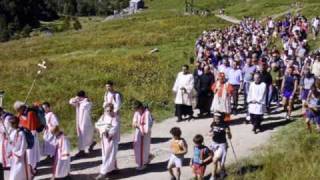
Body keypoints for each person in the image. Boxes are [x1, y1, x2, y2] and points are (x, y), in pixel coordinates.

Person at [13, 101, 41, 175]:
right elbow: (20, 120)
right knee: (29, 153)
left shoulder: (30, 113)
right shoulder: (22, 113)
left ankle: (32, 168)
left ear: (21, 108)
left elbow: (31, 127)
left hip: (31, 135)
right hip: (26, 135)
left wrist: (22, 128)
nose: (17, 112)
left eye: (18, 110)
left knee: (31, 153)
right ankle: (31, 167)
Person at [95, 103, 120, 180]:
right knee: (105, 155)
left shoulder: (114, 118)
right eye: (106, 111)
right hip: (103, 139)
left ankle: (103, 172)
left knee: (108, 155)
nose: (108, 112)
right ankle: (111, 169)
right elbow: (97, 124)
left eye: (109, 110)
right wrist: (103, 129)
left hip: (111, 139)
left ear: (112, 110)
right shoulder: (103, 116)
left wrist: (107, 131)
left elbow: (114, 128)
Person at [69, 90, 96, 157]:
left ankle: (82, 150)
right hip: (79, 122)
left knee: (84, 136)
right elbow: (70, 102)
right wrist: (76, 99)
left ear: (82, 97)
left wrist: (80, 101)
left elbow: (86, 105)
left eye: (79, 97)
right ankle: (88, 145)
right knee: (81, 136)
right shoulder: (78, 102)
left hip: (85, 122)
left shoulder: (87, 102)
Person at [208, 112, 231, 180]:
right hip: (214, 144)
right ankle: (223, 172)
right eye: (215, 118)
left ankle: (213, 176)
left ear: (221, 119)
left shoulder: (225, 125)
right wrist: (210, 133)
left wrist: (228, 133)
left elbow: (230, 137)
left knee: (215, 160)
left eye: (217, 119)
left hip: (222, 145)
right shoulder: (213, 123)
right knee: (220, 161)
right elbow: (211, 131)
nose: (216, 120)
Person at [8, 116, 32, 180]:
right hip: (14, 153)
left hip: (20, 155)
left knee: (21, 168)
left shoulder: (21, 133)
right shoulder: (13, 132)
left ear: (15, 123)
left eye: (11, 124)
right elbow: (12, 142)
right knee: (14, 167)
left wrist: (19, 153)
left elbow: (23, 144)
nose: (10, 125)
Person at [132, 101, 153, 170]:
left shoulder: (147, 113)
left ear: (140, 107)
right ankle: (147, 157)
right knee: (137, 148)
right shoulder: (137, 112)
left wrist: (138, 125)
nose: (136, 111)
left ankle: (142, 164)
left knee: (143, 148)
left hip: (144, 134)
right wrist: (135, 123)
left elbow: (148, 126)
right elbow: (134, 121)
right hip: (138, 132)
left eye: (137, 109)